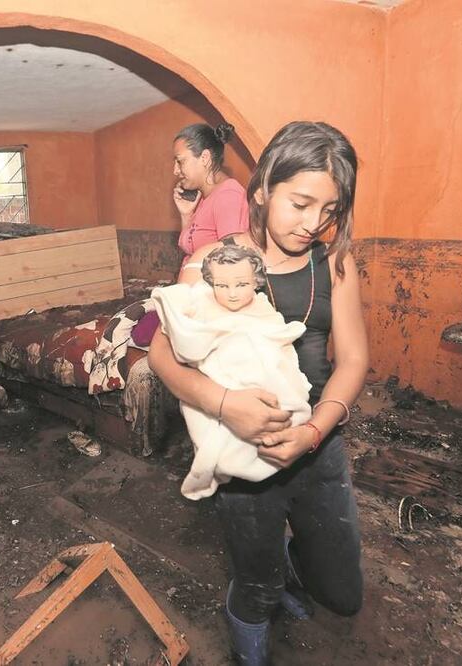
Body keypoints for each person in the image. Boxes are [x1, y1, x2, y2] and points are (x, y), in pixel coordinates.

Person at [148, 121, 368, 665]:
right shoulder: (216, 262)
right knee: (258, 588)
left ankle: (290, 568)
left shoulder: (335, 263)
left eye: (330, 210)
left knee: (341, 596)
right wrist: (227, 406)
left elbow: (356, 360)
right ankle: (250, 621)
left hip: (317, 446)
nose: (314, 223)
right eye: (300, 203)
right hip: (245, 449)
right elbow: (158, 352)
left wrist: (315, 431)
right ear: (265, 187)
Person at [150, 245, 312, 500]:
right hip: (220, 378)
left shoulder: (262, 306)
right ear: (211, 282)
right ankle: (227, 457)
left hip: (261, 373)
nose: (233, 294)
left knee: (281, 394)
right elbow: (186, 339)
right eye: (222, 286)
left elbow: (279, 340)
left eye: (242, 284)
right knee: (218, 433)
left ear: (256, 281)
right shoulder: (203, 303)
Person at [172, 123, 250, 267]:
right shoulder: (204, 197)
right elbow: (190, 250)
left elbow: (232, 261)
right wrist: (186, 214)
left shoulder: (228, 196)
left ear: (204, 158)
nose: (175, 171)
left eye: (180, 161)